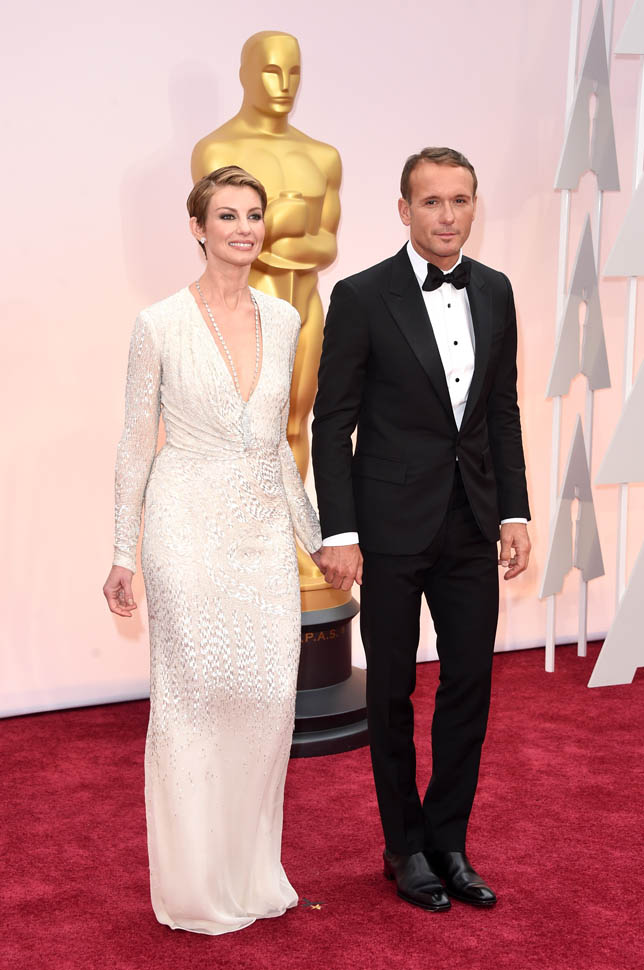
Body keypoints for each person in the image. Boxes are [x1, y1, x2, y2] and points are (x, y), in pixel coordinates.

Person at [102, 166, 322, 935]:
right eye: (227, 215)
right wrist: (123, 551)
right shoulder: (158, 323)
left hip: (261, 535)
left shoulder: (285, 319)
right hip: (185, 528)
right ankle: (195, 886)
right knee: (193, 702)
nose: (243, 228)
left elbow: (280, 445)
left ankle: (249, 873)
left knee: (266, 702)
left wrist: (317, 539)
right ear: (198, 227)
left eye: (253, 215)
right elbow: (136, 443)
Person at [312, 147, 531, 912]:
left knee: (470, 684)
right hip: (390, 527)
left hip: (471, 522)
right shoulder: (362, 295)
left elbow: (501, 410)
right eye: (432, 201)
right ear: (404, 210)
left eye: (460, 200)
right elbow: (332, 422)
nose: (447, 216)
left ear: (474, 207)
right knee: (393, 690)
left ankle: (448, 842)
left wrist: (513, 511)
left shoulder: (496, 290)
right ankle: (404, 847)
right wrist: (340, 531)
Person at [191, 31, 341, 592]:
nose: (283, 85)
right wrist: (281, 223)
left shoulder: (322, 156)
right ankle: (241, 543)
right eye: (272, 71)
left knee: (296, 424)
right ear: (246, 73)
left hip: (304, 303)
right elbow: (222, 238)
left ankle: (288, 542)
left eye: (293, 72)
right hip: (243, 306)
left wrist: (269, 235)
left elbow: (325, 245)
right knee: (245, 432)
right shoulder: (215, 150)